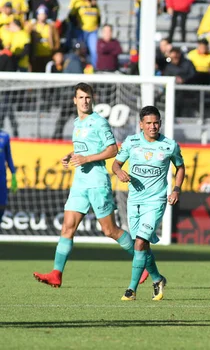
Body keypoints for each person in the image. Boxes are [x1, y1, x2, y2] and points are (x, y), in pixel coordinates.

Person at [33, 83, 139, 288]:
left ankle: (141, 262)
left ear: (93, 99)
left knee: (109, 230)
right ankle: (56, 273)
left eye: (88, 97)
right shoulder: (77, 123)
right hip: (80, 183)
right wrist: (70, 156)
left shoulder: (99, 123)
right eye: (81, 98)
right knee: (67, 228)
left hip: (97, 182)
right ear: (75, 100)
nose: (84, 101)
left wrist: (87, 158)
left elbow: (112, 150)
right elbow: (82, 150)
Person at [112, 106, 185, 301]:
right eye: (149, 123)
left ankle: (131, 289)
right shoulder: (131, 142)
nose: (153, 126)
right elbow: (116, 164)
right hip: (134, 201)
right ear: (141, 125)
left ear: (160, 123)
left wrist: (176, 189)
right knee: (142, 246)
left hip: (156, 200)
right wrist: (119, 173)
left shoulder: (169, 145)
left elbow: (180, 167)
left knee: (141, 241)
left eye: (156, 123)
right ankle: (157, 279)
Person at [0, 129, 17, 220]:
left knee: (2, 203)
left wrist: (13, 174)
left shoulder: (5, 136)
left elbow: (8, 157)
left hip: (1, 176)